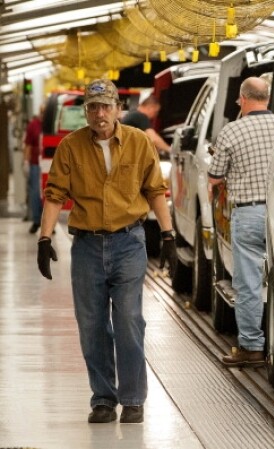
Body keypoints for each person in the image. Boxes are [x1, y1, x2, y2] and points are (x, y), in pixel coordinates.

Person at [36, 79, 178, 424]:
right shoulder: (71, 147)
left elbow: (155, 189)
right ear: (86, 111)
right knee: (92, 324)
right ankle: (103, 398)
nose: (99, 114)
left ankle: (132, 398)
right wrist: (44, 238)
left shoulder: (139, 142)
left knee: (129, 319)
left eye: (105, 107)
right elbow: (55, 194)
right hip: (86, 245)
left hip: (129, 242)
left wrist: (169, 233)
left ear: (118, 109)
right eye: (93, 107)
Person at [208, 77, 274, 366]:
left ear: (243, 99)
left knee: (248, 283)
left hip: (248, 213)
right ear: (267, 99)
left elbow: (215, 176)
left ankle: (251, 346)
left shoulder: (231, 131)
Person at [24, 104, 44, 233]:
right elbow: (28, 145)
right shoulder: (33, 125)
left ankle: (48, 223)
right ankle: (37, 221)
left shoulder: (50, 124)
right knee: (35, 193)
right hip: (36, 163)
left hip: (49, 163)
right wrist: (26, 161)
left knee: (48, 194)